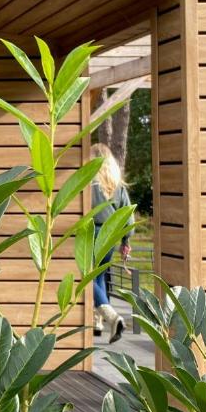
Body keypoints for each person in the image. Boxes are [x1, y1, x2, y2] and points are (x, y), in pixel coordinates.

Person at [91, 143, 134, 344]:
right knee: (99, 277)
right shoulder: (117, 184)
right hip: (111, 236)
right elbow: (128, 216)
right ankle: (97, 323)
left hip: (92, 233)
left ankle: (112, 317)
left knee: (86, 278)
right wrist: (126, 241)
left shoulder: (90, 182)